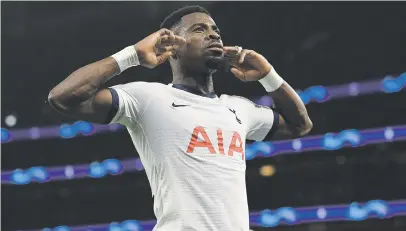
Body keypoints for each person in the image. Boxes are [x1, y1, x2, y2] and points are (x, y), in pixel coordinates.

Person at [48, 5, 312, 231]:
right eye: (199, 30)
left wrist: (268, 75)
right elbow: (62, 97)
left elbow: (301, 125)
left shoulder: (238, 108)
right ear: (172, 47)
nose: (213, 35)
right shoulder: (147, 97)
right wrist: (134, 55)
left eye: (215, 31)